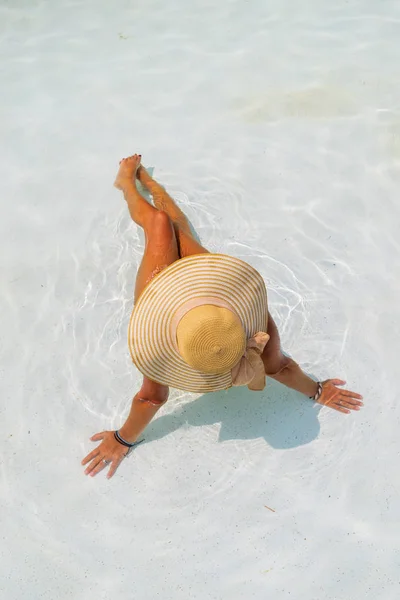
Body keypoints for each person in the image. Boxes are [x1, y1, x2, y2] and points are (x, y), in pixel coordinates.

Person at [82, 154, 363, 479]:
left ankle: (127, 185)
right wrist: (317, 391)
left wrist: (122, 439)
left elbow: (150, 399)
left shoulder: (161, 346)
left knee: (158, 225)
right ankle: (149, 185)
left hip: (161, 295)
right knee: (176, 227)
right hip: (214, 295)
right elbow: (282, 368)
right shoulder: (250, 320)